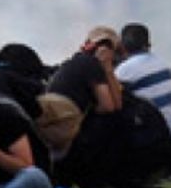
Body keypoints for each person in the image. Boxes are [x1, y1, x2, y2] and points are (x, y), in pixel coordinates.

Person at [115, 23, 171, 187]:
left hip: (165, 142)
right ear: (148, 44)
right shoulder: (161, 63)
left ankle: (158, 175)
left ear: (121, 46)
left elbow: (112, 102)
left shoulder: (124, 71)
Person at [38, 26, 123, 158]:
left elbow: (116, 104)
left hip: (50, 122)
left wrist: (107, 69)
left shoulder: (74, 61)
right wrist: (107, 67)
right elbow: (110, 106)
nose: (103, 50)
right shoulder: (90, 63)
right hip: (62, 124)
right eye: (101, 44)